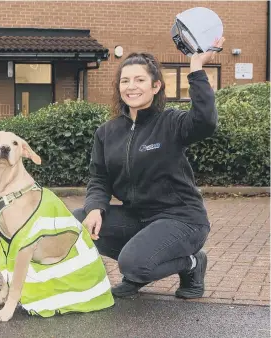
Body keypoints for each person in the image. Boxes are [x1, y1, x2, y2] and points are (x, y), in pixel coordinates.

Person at [73, 37, 225, 299]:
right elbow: (99, 178)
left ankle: (191, 263)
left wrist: (197, 68)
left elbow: (205, 122)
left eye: (140, 80)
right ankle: (141, 263)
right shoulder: (107, 132)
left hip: (181, 218)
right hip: (137, 217)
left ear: (156, 86)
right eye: (125, 81)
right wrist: (95, 207)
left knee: (133, 263)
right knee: (76, 223)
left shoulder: (171, 122)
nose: (131, 87)